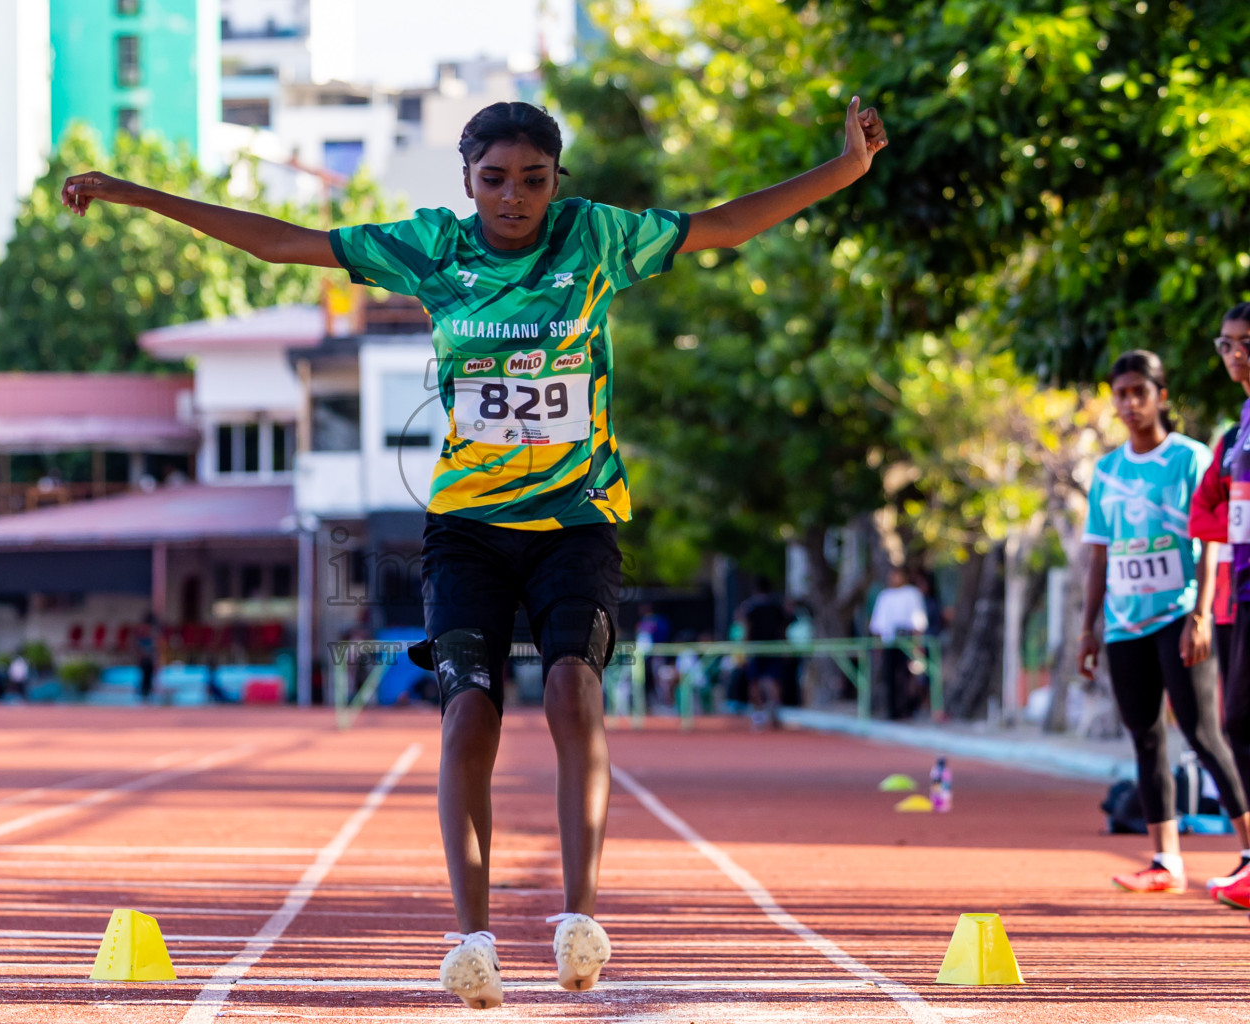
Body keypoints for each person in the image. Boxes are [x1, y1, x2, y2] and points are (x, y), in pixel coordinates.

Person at [60, 95, 887, 1008]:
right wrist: (136, 193)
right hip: (466, 530)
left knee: (574, 687)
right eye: (494, 180)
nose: (514, 198)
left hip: (576, 519)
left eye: (533, 180)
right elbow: (279, 243)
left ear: (557, 183)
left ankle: (580, 920)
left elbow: (725, 225)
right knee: (470, 713)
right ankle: (472, 939)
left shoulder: (597, 240)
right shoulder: (432, 250)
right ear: (466, 182)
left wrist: (844, 169)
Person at [1077, 349, 1250, 894]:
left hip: (1178, 615)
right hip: (1124, 623)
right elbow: (1100, 553)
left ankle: (1249, 848)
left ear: (1161, 396)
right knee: (1145, 738)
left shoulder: (1191, 458)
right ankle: (1165, 860)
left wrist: (1200, 611)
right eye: (1121, 394)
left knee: (1204, 734)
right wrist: (1089, 628)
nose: (1129, 404)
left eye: (1139, 392)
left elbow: (1208, 535)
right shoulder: (1106, 471)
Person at [1188, 304, 1250, 907]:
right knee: (1236, 723)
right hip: (1238, 595)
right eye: (1226, 342)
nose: (1234, 353)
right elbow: (1203, 511)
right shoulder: (1237, 432)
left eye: (1245, 342)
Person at [868, 566, 928, 719]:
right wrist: (879, 645)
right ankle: (892, 711)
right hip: (889, 642)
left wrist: (916, 644)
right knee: (890, 676)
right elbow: (878, 624)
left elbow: (918, 622)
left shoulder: (912, 594)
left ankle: (905, 710)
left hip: (906, 641)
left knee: (906, 677)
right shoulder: (885, 595)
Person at [737, 576, 793, 729]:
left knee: (754, 681)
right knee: (773, 680)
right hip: (773, 646)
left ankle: (758, 713)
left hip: (756, 647)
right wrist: (785, 647)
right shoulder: (777, 606)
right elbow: (783, 630)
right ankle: (774, 709)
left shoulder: (750, 606)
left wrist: (743, 651)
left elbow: (746, 629)